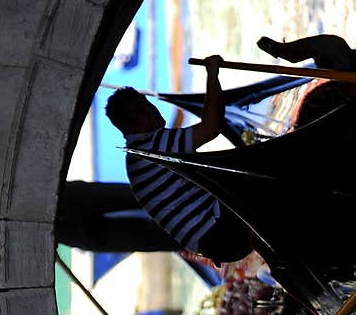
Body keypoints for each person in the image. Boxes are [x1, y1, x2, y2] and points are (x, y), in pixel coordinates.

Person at [104, 54, 253, 265]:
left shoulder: (135, 159)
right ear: (130, 125)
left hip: (214, 242)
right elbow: (211, 126)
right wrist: (212, 73)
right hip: (223, 231)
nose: (150, 109)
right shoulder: (152, 146)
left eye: (145, 102)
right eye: (140, 110)